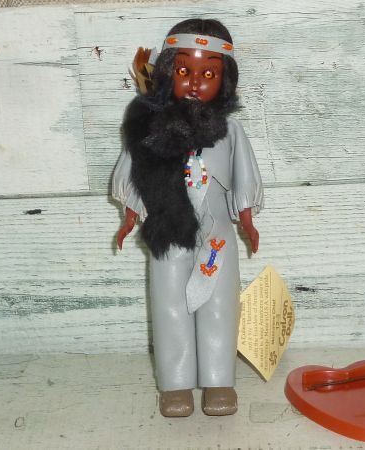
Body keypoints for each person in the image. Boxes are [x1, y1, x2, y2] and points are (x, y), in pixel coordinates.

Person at [112, 18, 263, 417]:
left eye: (208, 74)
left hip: (217, 233)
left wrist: (247, 220)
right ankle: (175, 385)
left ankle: (218, 381)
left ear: (225, 80)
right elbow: (136, 172)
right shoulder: (149, 127)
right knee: (170, 305)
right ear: (166, 73)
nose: (195, 82)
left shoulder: (230, 131)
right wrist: (130, 216)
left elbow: (244, 175)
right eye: (184, 71)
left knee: (219, 303)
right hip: (167, 228)